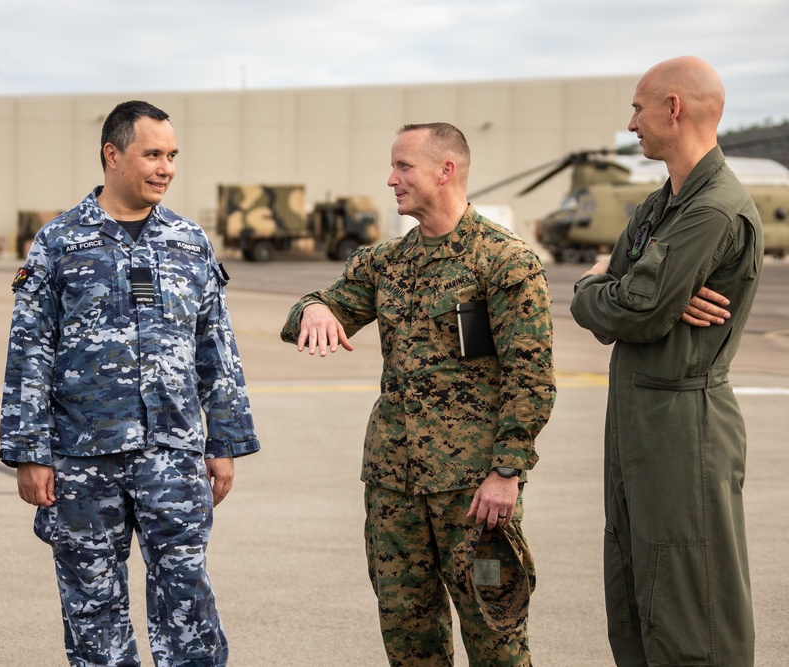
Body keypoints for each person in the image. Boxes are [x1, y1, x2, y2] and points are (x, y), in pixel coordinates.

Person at [281, 122, 555, 666]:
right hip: (394, 487)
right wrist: (313, 309)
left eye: (403, 167)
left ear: (444, 170)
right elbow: (316, 309)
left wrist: (507, 471)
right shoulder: (385, 264)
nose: (391, 179)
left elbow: (532, 377)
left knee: (495, 637)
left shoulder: (503, 261)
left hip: (474, 493)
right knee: (408, 639)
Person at [0, 100, 259, 667]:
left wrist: (225, 443)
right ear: (112, 155)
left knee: (187, 598)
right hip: (81, 458)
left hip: (173, 453)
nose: (165, 167)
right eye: (152, 154)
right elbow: (29, 352)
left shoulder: (190, 242)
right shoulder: (59, 242)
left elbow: (216, 349)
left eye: (172, 156)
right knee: (92, 608)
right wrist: (27, 452)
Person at [571, 56, 763, 667]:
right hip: (640, 418)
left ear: (673, 108)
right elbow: (624, 298)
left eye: (638, 107)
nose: (631, 123)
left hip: (684, 423)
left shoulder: (712, 210)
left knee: (690, 597)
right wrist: (610, 289)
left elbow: (633, 311)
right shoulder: (660, 207)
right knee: (635, 589)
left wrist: (608, 289)